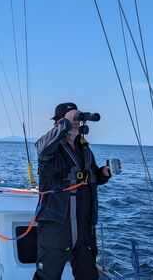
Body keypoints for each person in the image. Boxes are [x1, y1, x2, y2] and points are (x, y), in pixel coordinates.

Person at [33, 103, 112, 280]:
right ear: (60, 122)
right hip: (57, 226)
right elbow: (41, 148)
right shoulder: (50, 147)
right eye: (72, 119)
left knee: (89, 276)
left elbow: (91, 179)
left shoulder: (85, 150)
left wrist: (103, 173)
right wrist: (66, 122)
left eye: (77, 119)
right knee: (47, 276)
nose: (76, 123)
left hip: (84, 227)